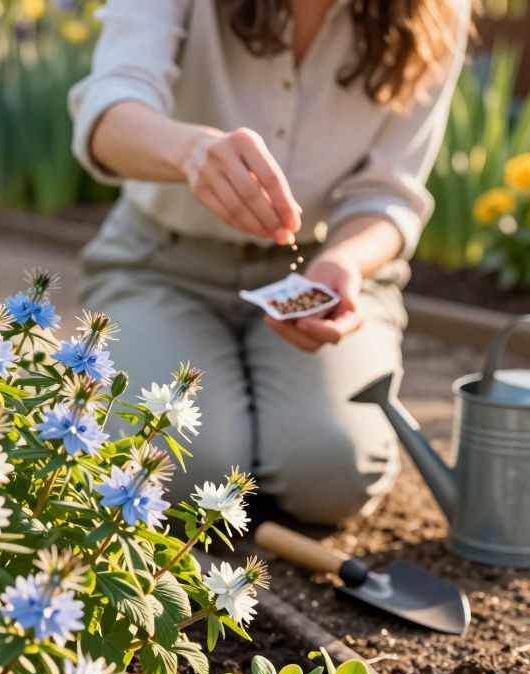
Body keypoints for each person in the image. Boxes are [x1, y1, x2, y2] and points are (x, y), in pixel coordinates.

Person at [69, 0, 470, 524]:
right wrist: (190, 152)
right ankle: (242, 429)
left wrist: (344, 264)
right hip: (161, 266)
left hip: (316, 272)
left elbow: (388, 196)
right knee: (182, 476)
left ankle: (259, 429)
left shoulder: (436, 12)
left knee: (334, 473)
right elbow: (109, 112)